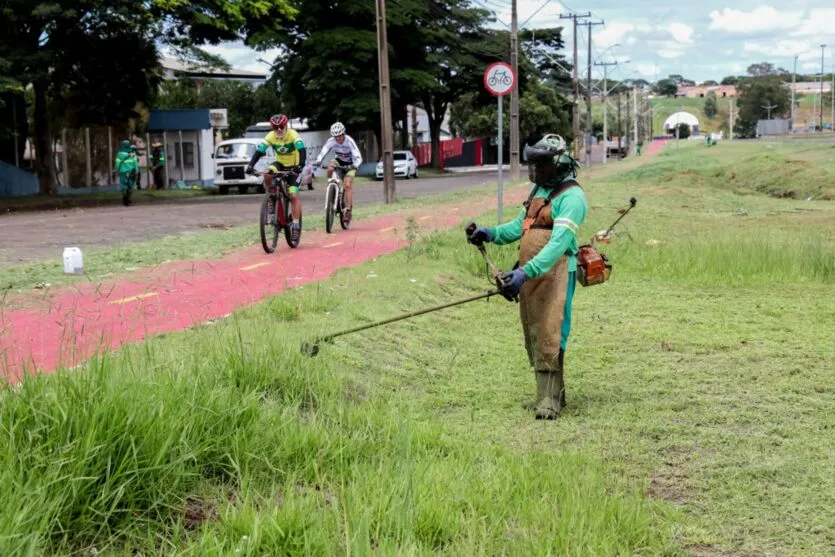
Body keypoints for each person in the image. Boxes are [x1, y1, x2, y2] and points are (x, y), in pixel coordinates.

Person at [468, 133, 588, 420]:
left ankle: (551, 399)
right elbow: (519, 226)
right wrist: (490, 233)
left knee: (552, 329)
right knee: (534, 328)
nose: (535, 171)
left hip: (557, 272)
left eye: (541, 165)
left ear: (558, 163)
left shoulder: (572, 197)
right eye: (533, 165)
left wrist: (526, 271)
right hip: (530, 273)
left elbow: (558, 243)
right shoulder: (539, 190)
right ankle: (543, 394)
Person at [246, 114, 306, 242]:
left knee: (294, 195)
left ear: (286, 126)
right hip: (280, 164)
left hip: (294, 167)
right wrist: (251, 165)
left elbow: (302, 150)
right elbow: (260, 151)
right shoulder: (271, 136)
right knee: (268, 173)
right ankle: (271, 198)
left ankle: (295, 226)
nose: (278, 129)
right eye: (275, 127)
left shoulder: (293, 134)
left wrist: (300, 166)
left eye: (281, 126)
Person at [313, 122, 363, 224]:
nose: (338, 139)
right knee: (330, 168)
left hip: (351, 164)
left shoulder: (349, 141)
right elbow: (324, 151)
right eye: (336, 137)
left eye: (340, 136)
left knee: (348, 185)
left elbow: (358, 157)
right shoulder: (331, 141)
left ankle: (348, 211)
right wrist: (318, 161)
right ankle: (331, 186)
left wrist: (354, 166)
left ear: (344, 134)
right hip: (339, 161)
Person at [113, 139, 139, 206]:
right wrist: (137, 171)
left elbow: (117, 163)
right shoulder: (132, 153)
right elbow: (135, 163)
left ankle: (124, 194)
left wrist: (115, 170)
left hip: (123, 172)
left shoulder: (119, 154)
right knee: (130, 185)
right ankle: (129, 198)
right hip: (131, 172)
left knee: (123, 184)